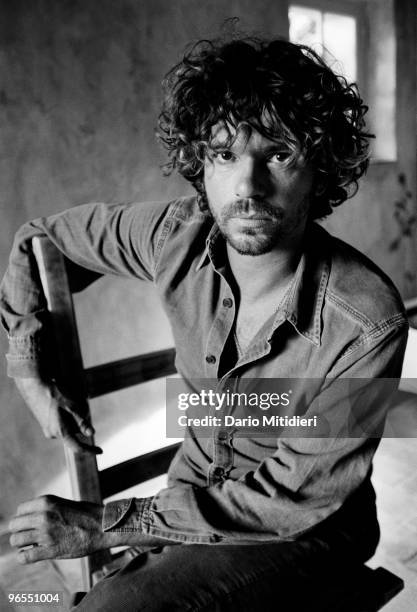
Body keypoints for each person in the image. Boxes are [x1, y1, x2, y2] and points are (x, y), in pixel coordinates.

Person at [1, 35, 408, 611]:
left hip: (309, 529)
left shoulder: (367, 320)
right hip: (194, 491)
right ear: (200, 162)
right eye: (224, 154)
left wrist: (110, 523)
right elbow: (38, 242)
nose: (247, 186)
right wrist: (31, 376)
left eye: (279, 153)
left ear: (319, 167)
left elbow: (293, 498)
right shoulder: (178, 235)